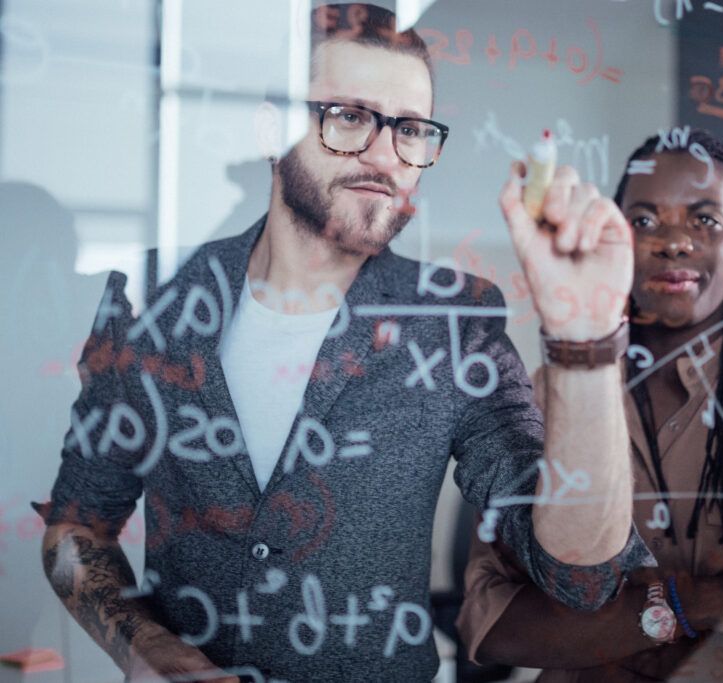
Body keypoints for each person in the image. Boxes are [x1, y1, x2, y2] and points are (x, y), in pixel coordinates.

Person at [36, 5, 654, 681]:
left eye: (411, 129)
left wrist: (584, 338)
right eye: (351, 116)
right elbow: (77, 527)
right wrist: (142, 647)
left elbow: (580, 578)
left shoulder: (452, 319)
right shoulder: (153, 300)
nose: (386, 156)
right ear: (273, 126)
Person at [456, 130, 723, 681]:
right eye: (644, 221)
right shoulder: (546, 395)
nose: (674, 242)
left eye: (705, 219)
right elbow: (495, 627)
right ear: (613, 235)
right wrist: (690, 606)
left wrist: (609, 627)